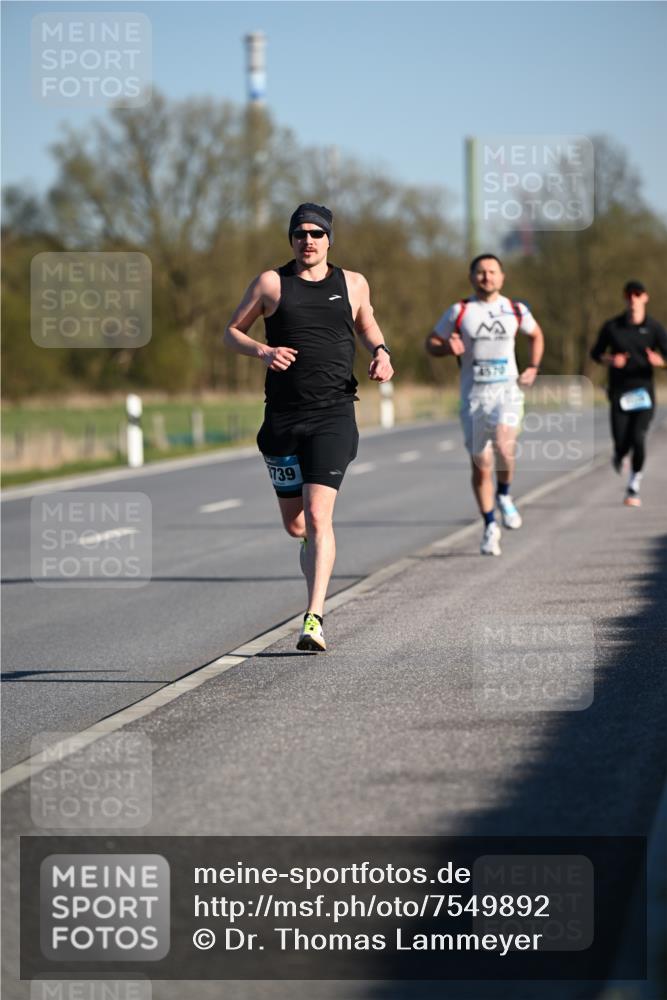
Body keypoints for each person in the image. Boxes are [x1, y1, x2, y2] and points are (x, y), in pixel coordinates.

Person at [223, 203, 394, 650]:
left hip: (334, 413)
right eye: (300, 233)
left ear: (329, 239)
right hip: (283, 416)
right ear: (292, 239)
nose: (308, 240)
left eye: (317, 233)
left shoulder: (352, 283)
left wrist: (381, 352)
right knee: (296, 525)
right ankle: (309, 548)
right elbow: (231, 332)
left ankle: (313, 618)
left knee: (319, 515)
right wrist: (263, 351)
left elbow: (367, 323)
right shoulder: (271, 283)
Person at [425, 254, 544, 556]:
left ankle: (504, 494)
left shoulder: (515, 309)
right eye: (480, 272)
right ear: (471, 277)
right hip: (474, 397)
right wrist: (445, 346)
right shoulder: (460, 311)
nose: (486, 277)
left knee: (504, 446)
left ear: (502, 277)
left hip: (507, 392)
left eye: (492, 272)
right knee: (482, 465)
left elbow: (536, 335)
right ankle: (490, 525)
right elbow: (431, 343)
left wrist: (533, 367)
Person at [590, 280, 667, 507]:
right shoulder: (612, 327)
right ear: (625, 298)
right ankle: (619, 454)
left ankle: (634, 486)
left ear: (645, 297)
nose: (633, 299)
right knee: (622, 441)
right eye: (629, 295)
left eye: (637, 294)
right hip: (619, 392)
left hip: (643, 392)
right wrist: (611, 360)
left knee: (638, 437)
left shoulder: (654, 328)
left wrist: (661, 362)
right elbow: (595, 353)